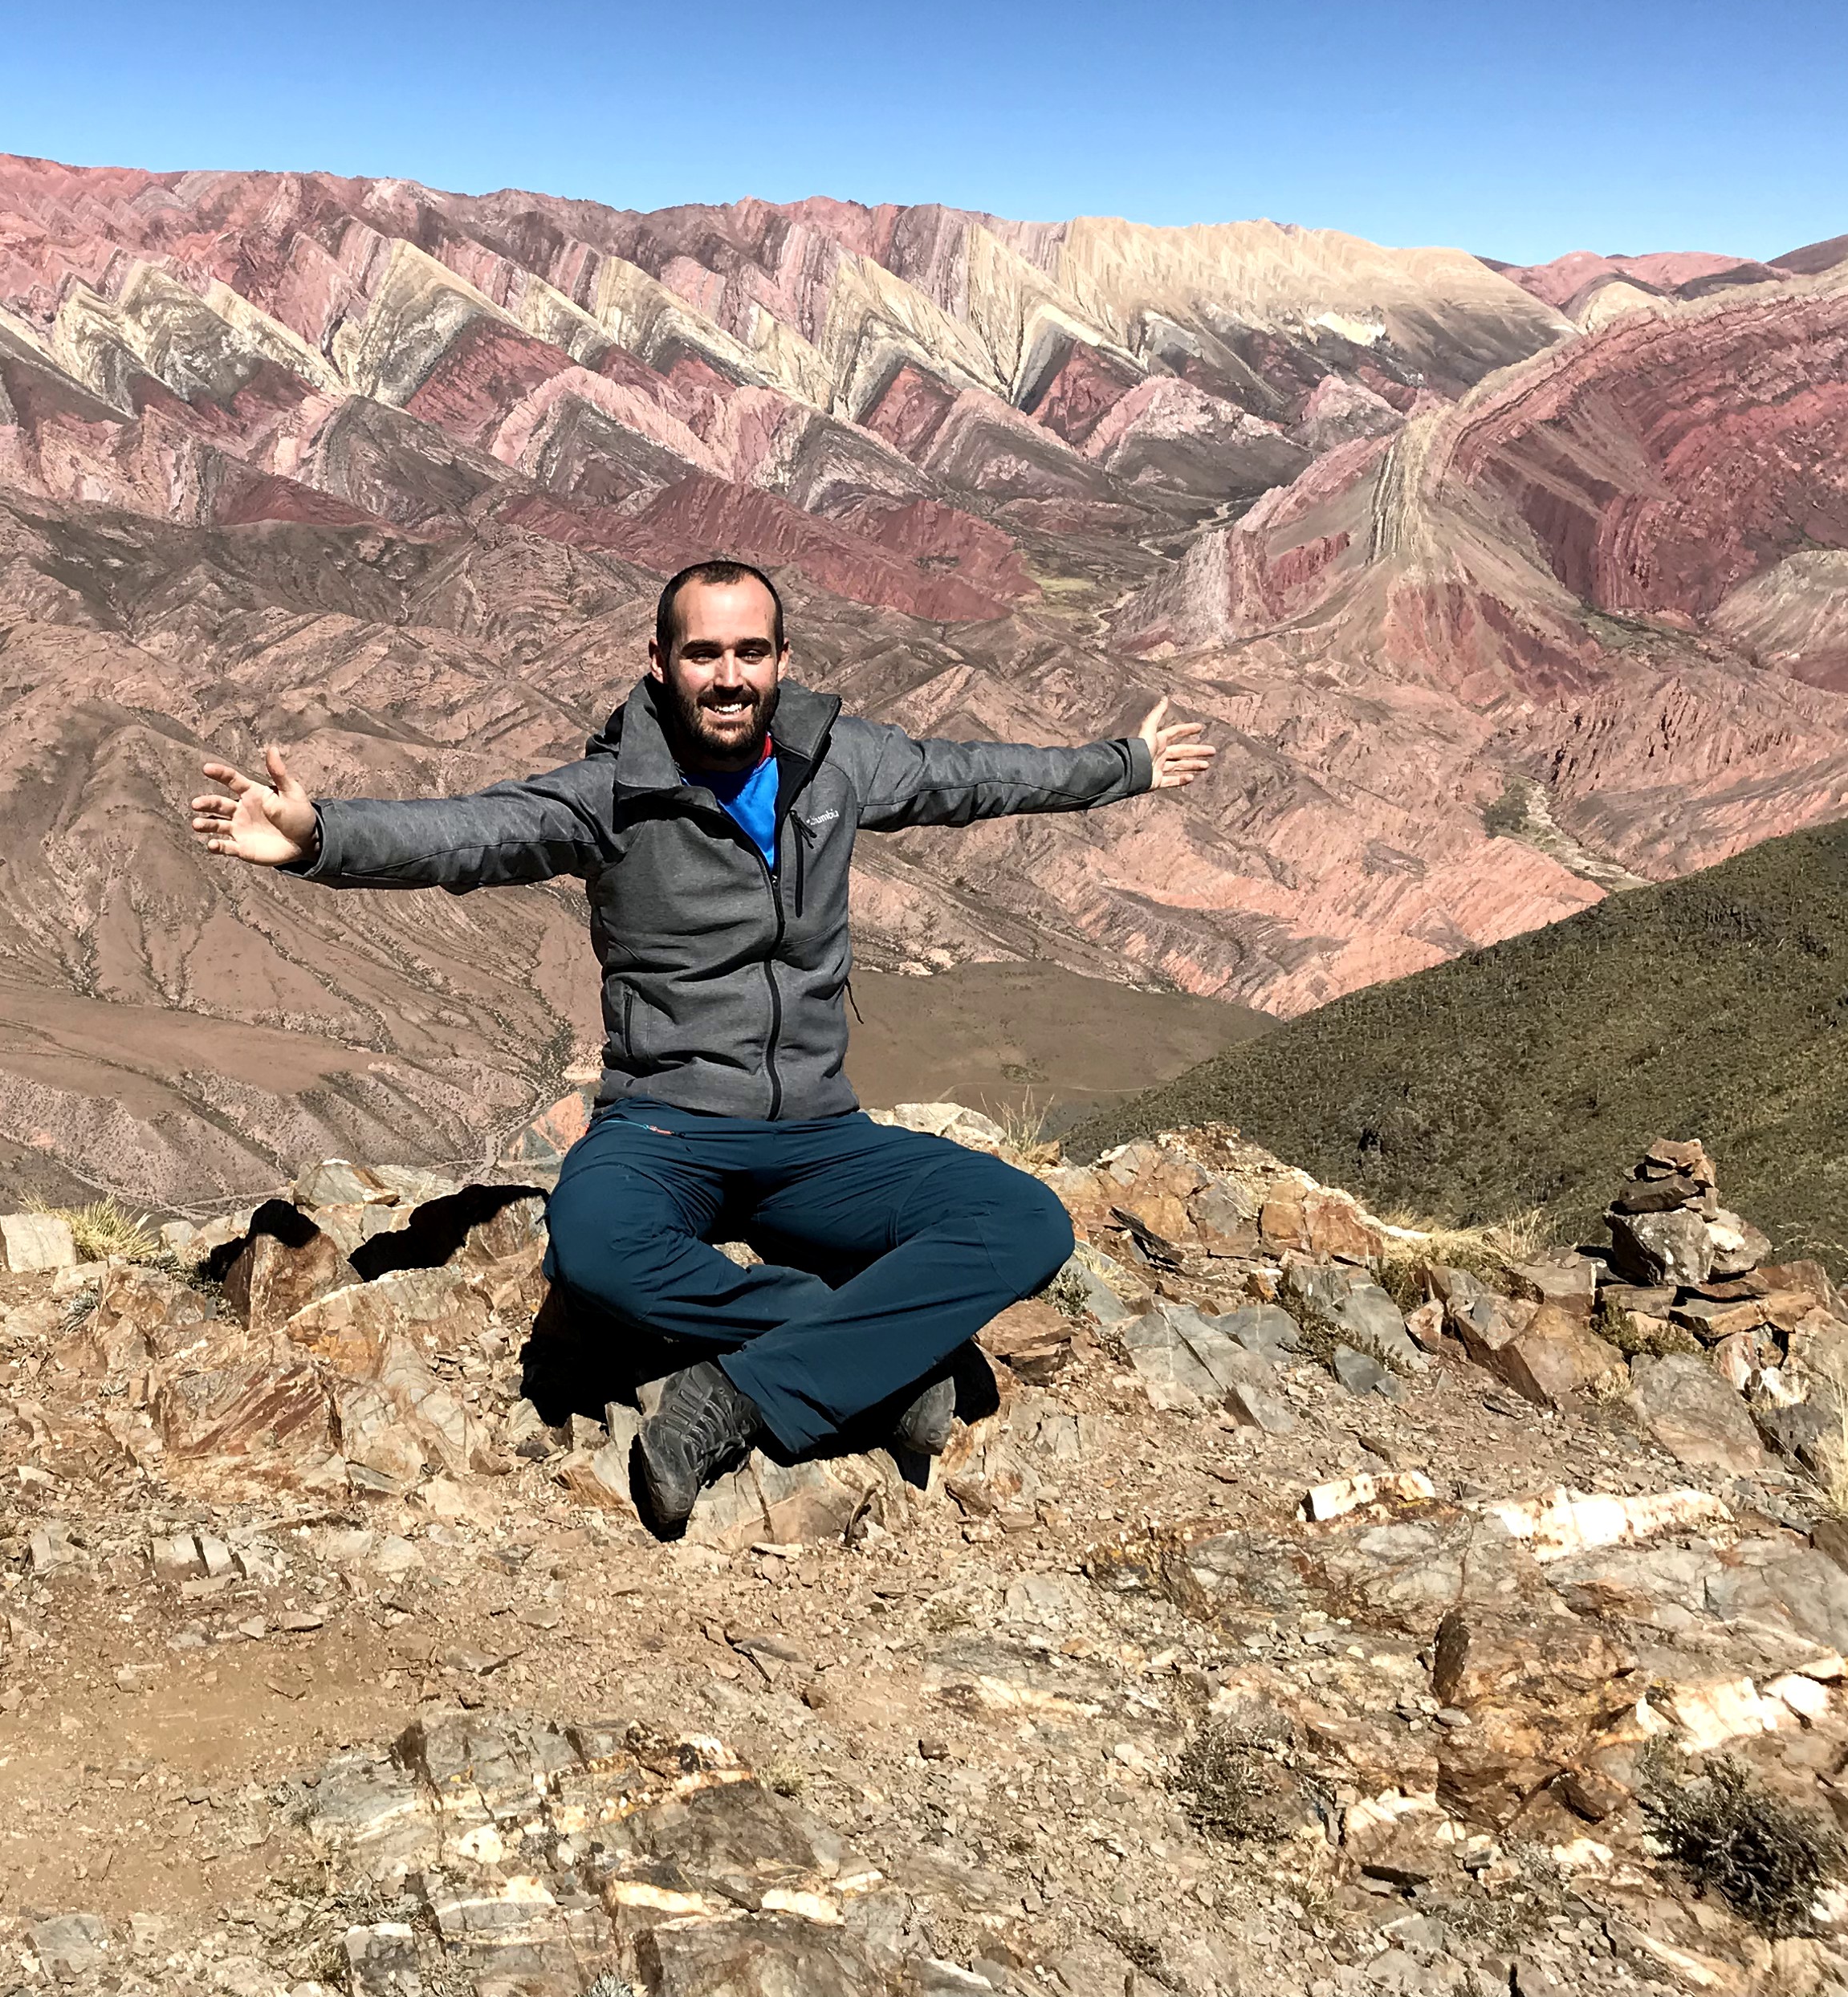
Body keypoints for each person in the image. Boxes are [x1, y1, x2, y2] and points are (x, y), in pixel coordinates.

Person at [189, 558, 1215, 1536]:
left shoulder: (836, 762)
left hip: (819, 1138)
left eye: (751, 652)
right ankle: (869, 1346)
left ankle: (738, 1393)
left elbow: (973, 777)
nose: (729, 676)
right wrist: (322, 839)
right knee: (594, 1248)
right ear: (661, 662)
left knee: (1024, 1219)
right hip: (665, 1129)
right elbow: (472, 834)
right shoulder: (612, 794)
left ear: (781, 661)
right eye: (704, 654)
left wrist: (1125, 766)